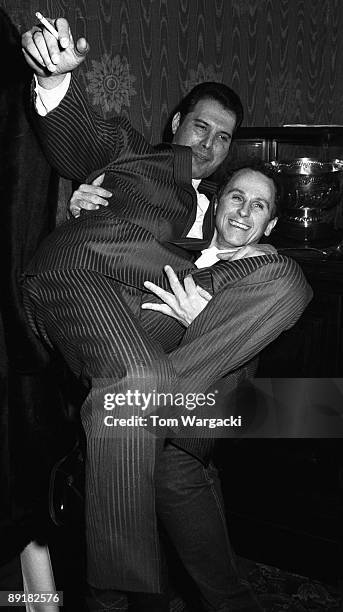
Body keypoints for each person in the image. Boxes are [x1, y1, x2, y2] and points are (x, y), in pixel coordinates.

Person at [21, 16, 312, 612]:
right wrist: (56, 83)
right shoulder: (141, 161)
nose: (208, 144)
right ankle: (110, 598)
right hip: (98, 293)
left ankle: (139, 411)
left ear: (269, 222)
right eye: (199, 127)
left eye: (224, 138)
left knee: (289, 283)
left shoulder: (244, 260)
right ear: (176, 125)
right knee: (137, 387)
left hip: (184, 428)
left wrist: (209, 308)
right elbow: (86, 138)